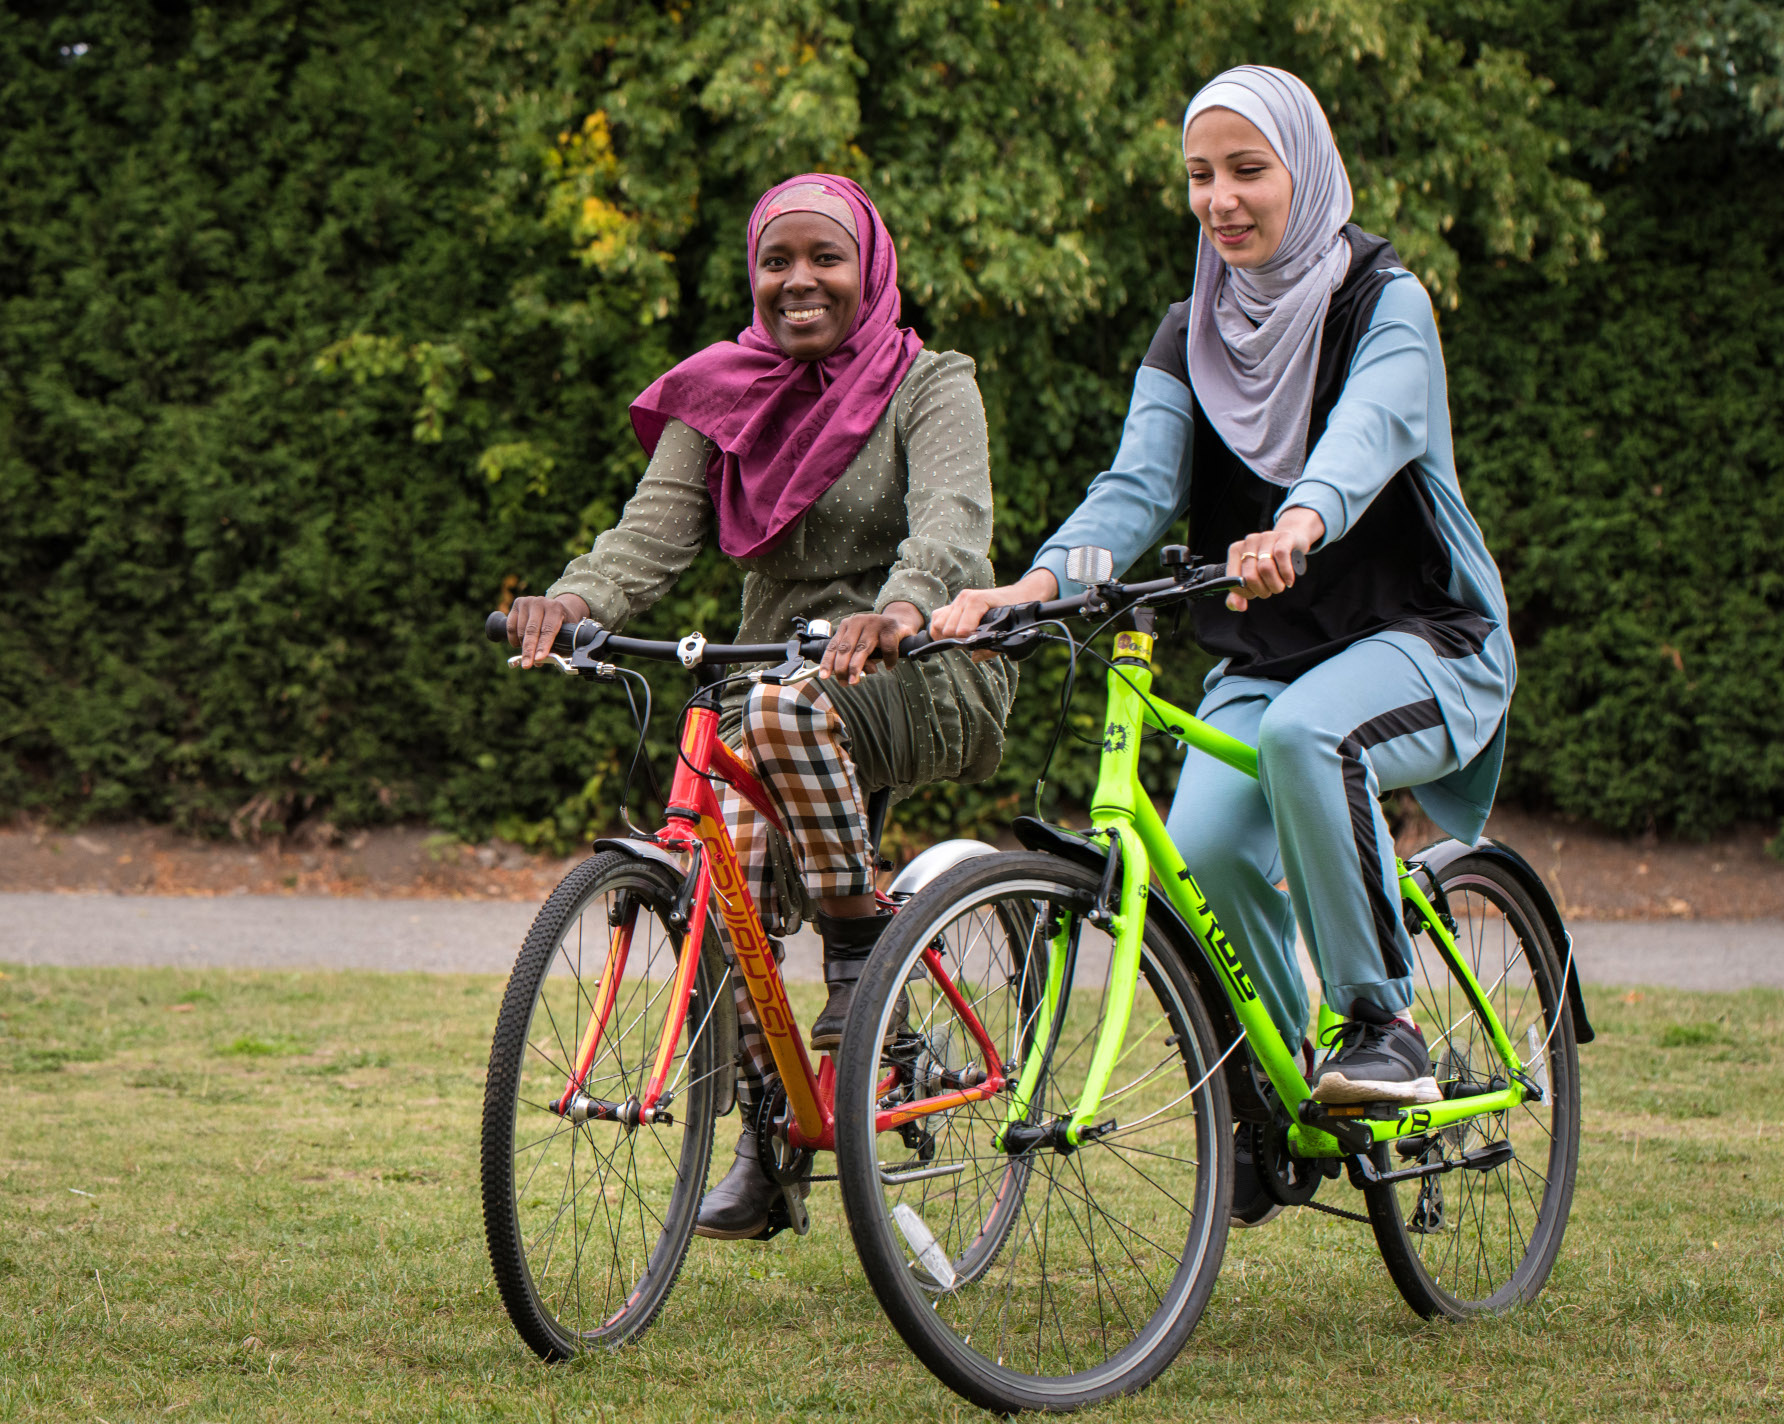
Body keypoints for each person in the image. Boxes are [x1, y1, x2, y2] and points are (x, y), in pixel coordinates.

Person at [931, 67, 1515, 1228]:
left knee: (1311, 737)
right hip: (1272, 655)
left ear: (1306, 169)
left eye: (1247, 170)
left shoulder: (1381, 301)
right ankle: (1282, 1085)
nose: (1220, 199)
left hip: (1427, 640)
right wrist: (1035, 584)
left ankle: (1380, 1019)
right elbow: (1133, 489)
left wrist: (1297, 520)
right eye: (1200, 176)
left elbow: (1366, 434)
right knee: (1193, 850)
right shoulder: (1186, 331)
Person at [505, 174, 1016, 1239]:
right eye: (775, 260)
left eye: (823, 257)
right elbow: (649, 534)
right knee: (716, 868)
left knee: (786, 714)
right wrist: (572, 595)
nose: (798, 280)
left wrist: (901, 607)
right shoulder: (723, 391)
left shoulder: (931, 383)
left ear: (867, 265)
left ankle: (856, 959)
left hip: (921, 668)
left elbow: (951, 530)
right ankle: (771, 1137)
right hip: (772, 672)